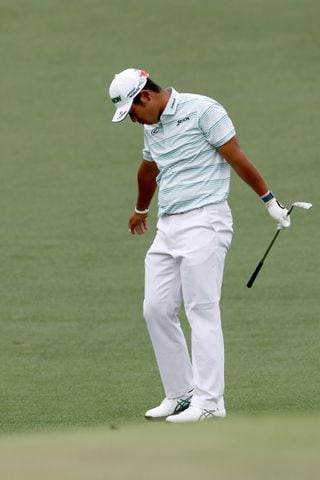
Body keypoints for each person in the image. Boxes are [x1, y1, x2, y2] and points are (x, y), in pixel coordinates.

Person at [108, 68, 290, 423]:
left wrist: (270, 201)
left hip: (206, 220)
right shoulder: (152, 126)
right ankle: (181, 394)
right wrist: (140, 209)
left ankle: (209, 403)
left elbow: (236, 156)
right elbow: (149, 170)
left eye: (132, 111)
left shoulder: (203, 109)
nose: (133, 120)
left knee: (201, 310)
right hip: (169, 226)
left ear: (145, 96)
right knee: (156, 309)